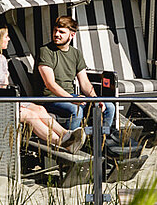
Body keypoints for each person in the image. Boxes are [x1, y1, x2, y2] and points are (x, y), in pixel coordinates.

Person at [0, 26, 85, 152]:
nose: (9, 39)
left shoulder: (2, 60)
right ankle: (60, 143)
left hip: (7, 100)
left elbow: (5, 87)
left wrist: (13, 101)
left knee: (39, 108)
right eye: (6, 36)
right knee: (30, 115)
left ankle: (66, 135)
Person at [36, 15, 119, 144]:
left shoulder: (76, 53)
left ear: (72, 35)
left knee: (109, 107)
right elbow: (50, 84)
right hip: (51, 98)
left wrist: (96, 99)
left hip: (70, 96)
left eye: (61, 32)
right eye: (55, 31)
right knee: (76, 109)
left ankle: (101, 141)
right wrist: (72, 99)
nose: (56, 34)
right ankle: (71, 144)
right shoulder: (45, 51)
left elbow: (85, 83)